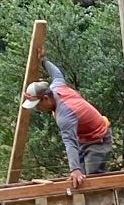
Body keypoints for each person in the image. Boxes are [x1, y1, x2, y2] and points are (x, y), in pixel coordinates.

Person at [22, 60, 113, 189]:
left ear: (46, 99)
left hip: (98, 138)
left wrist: (75, 169)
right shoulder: (57, 86)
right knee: (81, 179)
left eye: (37, 105)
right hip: (84, 139)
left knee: (94, 179)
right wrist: (42, 60)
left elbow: (70, 142)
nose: (37, 109)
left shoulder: (65, 114)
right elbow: (56, 73)